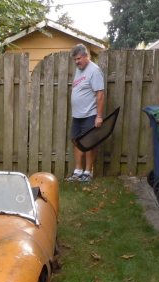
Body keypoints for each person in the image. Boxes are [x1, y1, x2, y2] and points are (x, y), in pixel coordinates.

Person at [68, 44, 105, 183]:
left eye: (79, 59)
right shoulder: (79, 70)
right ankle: (78, 171)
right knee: (76, 141)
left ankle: (88, 172)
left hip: (90, 114)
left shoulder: (94, 70)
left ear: (86, 56)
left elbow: (100, 94)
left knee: (89, 143)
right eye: (75, 60)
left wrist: (99, 116)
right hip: (77, 115)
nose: (77, 62)